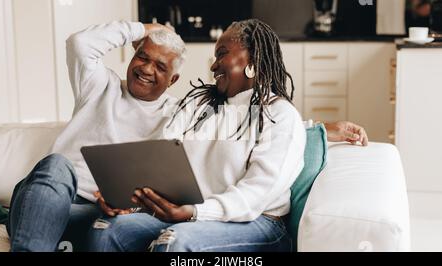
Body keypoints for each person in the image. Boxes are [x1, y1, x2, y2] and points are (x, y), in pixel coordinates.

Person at [88, 19, 367, 253]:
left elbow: (256, 195)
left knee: (176, 245)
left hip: (256, 222)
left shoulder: (280, 115)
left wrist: (194, 212)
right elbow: (159, 158)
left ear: (252, 60)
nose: (213, 66)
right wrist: (132, 199)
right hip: (187, 215)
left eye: (222, 54)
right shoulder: (197, 106)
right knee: (106, 230)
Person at [6, 21, 186, 252]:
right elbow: (79, 43)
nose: (147, 69)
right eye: (142, 57)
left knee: (109, 224)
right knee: (57, 164)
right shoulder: (100, 85)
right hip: (41, 201)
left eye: (160, 67)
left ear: (173, 80)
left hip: (96, 215)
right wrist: (144, 29)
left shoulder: (178, 114)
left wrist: (128, 207)